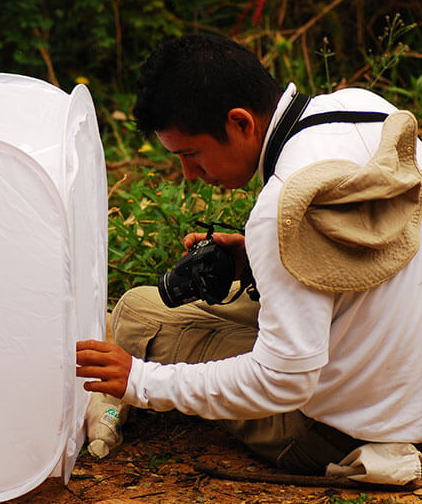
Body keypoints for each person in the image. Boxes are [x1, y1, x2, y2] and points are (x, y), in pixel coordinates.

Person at [76, 33, 422, 476]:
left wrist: (140, 381)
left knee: (139, 313)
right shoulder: (367, 110)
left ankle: (115, 395)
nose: (189, 174)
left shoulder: (282, 210)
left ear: (241, 122)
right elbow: (381, 240)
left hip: (334, 431)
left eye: (192, 154)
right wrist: (253, 258)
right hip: (405, 382)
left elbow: (283, 383)